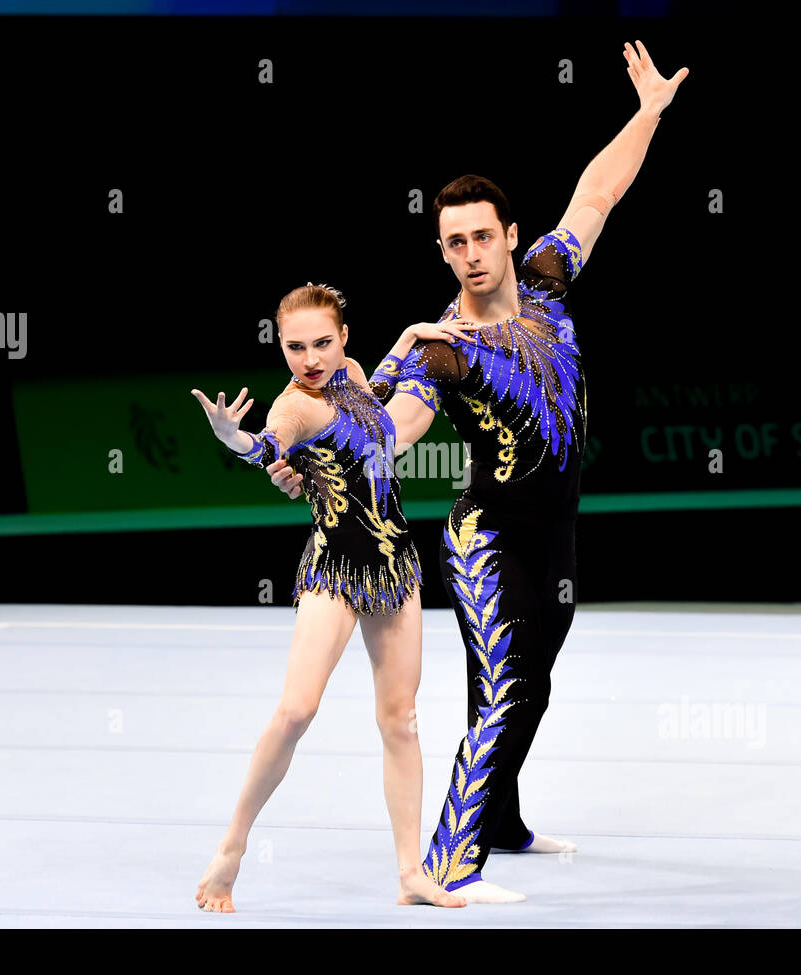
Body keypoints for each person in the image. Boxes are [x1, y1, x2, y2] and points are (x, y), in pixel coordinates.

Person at [266, 41, 689, 902]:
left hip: (558, 531)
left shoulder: (550, 283)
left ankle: (501, 817)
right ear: (442, 249)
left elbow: (599, 191)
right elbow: (388, 426)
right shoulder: (438, 349)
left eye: (480, 236)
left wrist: (647, 112)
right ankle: (450, 863)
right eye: (452, 241)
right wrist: (306, 453)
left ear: (511, 237)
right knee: (509, 684)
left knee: (532, 683)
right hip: (486, 535)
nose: (468, 252)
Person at [190, 280, 475, 912]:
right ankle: (230, 852)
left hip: (396, 562)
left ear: (343, 337)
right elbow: (269, 444)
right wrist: (235, 441)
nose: (310, 359)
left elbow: (371, 404)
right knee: (296, 711)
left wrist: (405, 340)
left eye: (322, 342)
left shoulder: (347, 372)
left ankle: (409, 874)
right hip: (338, 567)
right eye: (295, 347)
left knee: (399, 719)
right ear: (280, 348)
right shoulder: (294, 405)